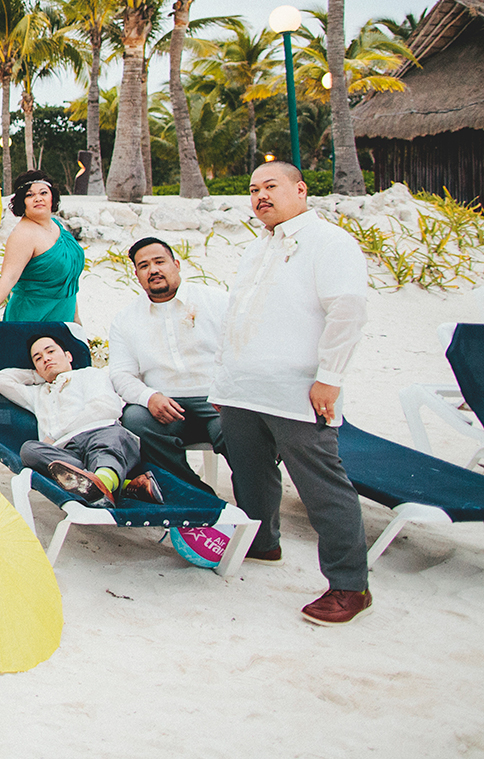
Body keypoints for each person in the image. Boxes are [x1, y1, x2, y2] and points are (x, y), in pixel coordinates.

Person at [211, 162, 372, 626]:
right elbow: (235, 317)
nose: (260, 196)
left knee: (322, 484)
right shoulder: (257, 248)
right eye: (253, 189)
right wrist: (223, 382)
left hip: (297, 389)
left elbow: (348, 311)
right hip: (243, 388)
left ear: (300, 190)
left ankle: (349, 585)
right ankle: (262, 543)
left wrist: (331, 376)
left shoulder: (330, 242)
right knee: (251, 472)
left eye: (271, 187)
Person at [109, 237, 229, 497]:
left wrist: (227, 390)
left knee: (240, 428)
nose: (153, 270)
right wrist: (149, 397)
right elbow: (121, 373)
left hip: (217, 398)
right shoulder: (125, 320)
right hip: (165, 405)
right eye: (144, 266)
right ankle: (199, 498)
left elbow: (241, 351)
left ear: (176, 264)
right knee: (135, 419)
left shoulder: (216, 301)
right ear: (137, 275)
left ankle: (256, 519)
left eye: (159, 262)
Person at [0, 330, 164, 507]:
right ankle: (113, 484)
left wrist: (57, 433)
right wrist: (39, 374)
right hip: (65, 451)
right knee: (29, 450)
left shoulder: (89, 374)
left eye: (51, 352)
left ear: (68, 356)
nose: (46, 359)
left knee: (110, 442)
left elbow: (107, 408)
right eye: (38, 358)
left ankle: (101, 483)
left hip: (101, 433)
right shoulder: (37, 393)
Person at [0, 170, 85, 329]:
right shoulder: (22, 234)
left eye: (43, 192)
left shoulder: (57, 226)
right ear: (22, 202)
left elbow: (68, 281)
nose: (38, 198)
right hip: (32, 316)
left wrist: (76, 320)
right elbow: (8, 277)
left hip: (64, 313)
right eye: (30, 195)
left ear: (52, 197)